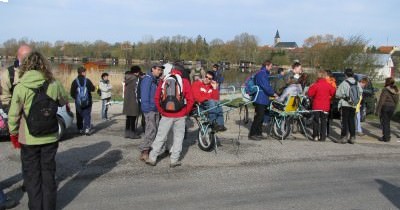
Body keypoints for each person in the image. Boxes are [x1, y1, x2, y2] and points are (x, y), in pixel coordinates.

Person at [8, 51, 68, 210]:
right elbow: (63, 101)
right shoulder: (54, 84)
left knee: (32, 176)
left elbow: (13, 115)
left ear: (25, 65)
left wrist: (13, 133)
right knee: (48, 175)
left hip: (28, 138)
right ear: (44, 65)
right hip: (50, 137)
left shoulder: (20, 87)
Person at [146, 67, 194, 167]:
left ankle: (152, 158)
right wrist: (185, 112)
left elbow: (156, 97)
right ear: (181, 72)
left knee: (160, 137)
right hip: (180, 114)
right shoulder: (184, 81)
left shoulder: (164, 80)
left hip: (166, 115)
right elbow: (191, 100)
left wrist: (161, 110)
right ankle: (174, 161)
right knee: (178, 138)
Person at [138, 64, 164, 161]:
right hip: (150, 110)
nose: (159, 71)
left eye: (161, 70)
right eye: (158, 69)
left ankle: (149, 150)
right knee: (150, 130)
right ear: (152, 69)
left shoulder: (156, 80)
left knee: (154, 130)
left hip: (155, 108)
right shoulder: (148, 79)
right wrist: (147, 110)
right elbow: (144, 95)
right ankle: (144, 151)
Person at [248, 60, 277, 140]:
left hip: (263, 98)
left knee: (261, 116)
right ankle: (252, 134)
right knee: (259, 117)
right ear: (267, 66)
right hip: (259, 98)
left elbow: (266, 85)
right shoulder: (262, 74)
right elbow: (265, 86)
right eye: (271, 66)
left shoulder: (264, 73)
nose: (271, 68)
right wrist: (272, 93)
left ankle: (258, 133)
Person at [334, 68, 363, 144]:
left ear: (346, 75)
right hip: (353, 104)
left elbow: (338, 94)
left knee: (344, 121)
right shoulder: (357, 83)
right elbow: (360, 92)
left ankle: (343, 137)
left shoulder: (344, 83)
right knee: (351, 121)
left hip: (345, 104)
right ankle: (352, 137)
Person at [1, 44, 32, 110]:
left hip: (37, 112)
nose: (27, 60)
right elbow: (4, 98)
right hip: (15, 112)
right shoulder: (8, 74)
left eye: (29, 57)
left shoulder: (40, 71)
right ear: (18, 56)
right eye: (24, 57)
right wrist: (13, 113)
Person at [307, 70, 336, 141]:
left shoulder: (315, 85)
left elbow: (309, 94)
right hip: (325, 106)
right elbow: (334, 93)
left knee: (316, 121)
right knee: (324, 122)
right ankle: (323, 137)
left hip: (316, 106)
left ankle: (315, 136)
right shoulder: (329, 85)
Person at [70, 66, 95, 135]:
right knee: (87, 114)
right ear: (83, 72)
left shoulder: (75, 81)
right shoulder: (87, 81)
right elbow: (93, 89)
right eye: (85, 72)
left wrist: (77, 99)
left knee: (79, 115)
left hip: (78, 102)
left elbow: (71, 93)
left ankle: (80, 129)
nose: (85, 73)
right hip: (88, 101)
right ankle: (87, 128)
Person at [375, 77, 399, 142]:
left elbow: (381, 100)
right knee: (387, 122)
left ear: (387, 82)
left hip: (385, 107)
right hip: (392, 107)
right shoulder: (396, 89)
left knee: (384, 122)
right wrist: (395, 108)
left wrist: (377, 110)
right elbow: (397, 100)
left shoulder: (385, 90)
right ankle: (388, 136)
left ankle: (386, 137)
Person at [122, 66, 142, 139]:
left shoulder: (127, 77)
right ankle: (132, 133)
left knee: (128, 118)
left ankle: (127, 132)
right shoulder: (135, 79)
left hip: (127, 100)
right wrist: (139, 99)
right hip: (134, 100)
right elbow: (137, 91)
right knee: (133, 118)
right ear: (137, 72)